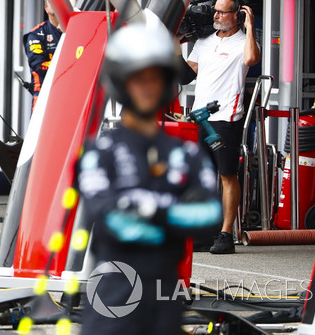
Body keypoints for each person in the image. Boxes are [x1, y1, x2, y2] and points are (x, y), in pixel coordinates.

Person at [76, 23, 222, 334]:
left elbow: (210, 216)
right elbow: (110, 219)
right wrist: (174, 216)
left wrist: (145, 208)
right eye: (137, 78)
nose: (147, 86)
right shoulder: (98, 153)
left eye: (155, 78)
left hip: (167, 304)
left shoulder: (188, 153)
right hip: (113, 304)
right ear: (120, 83)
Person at [184, 0, 260, 254]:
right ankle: (203, 233)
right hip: (199, 118)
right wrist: (174, 42)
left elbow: (251, 60)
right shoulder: (204, 42)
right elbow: (185, 75)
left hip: (226, 118)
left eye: (222, 12)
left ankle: (226, 234)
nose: (216, 15)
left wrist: (250, 27)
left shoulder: (243, 42)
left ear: (236, 15)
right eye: (215, 11)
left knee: (227, 175)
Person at [23, 0, 63, 109]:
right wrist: (65, 66)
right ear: (46, 8)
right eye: (51, 1)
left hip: (70, 91)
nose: (55, 3)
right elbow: (38, 65)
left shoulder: (73, 29)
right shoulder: (36, 34)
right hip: (43, 94)